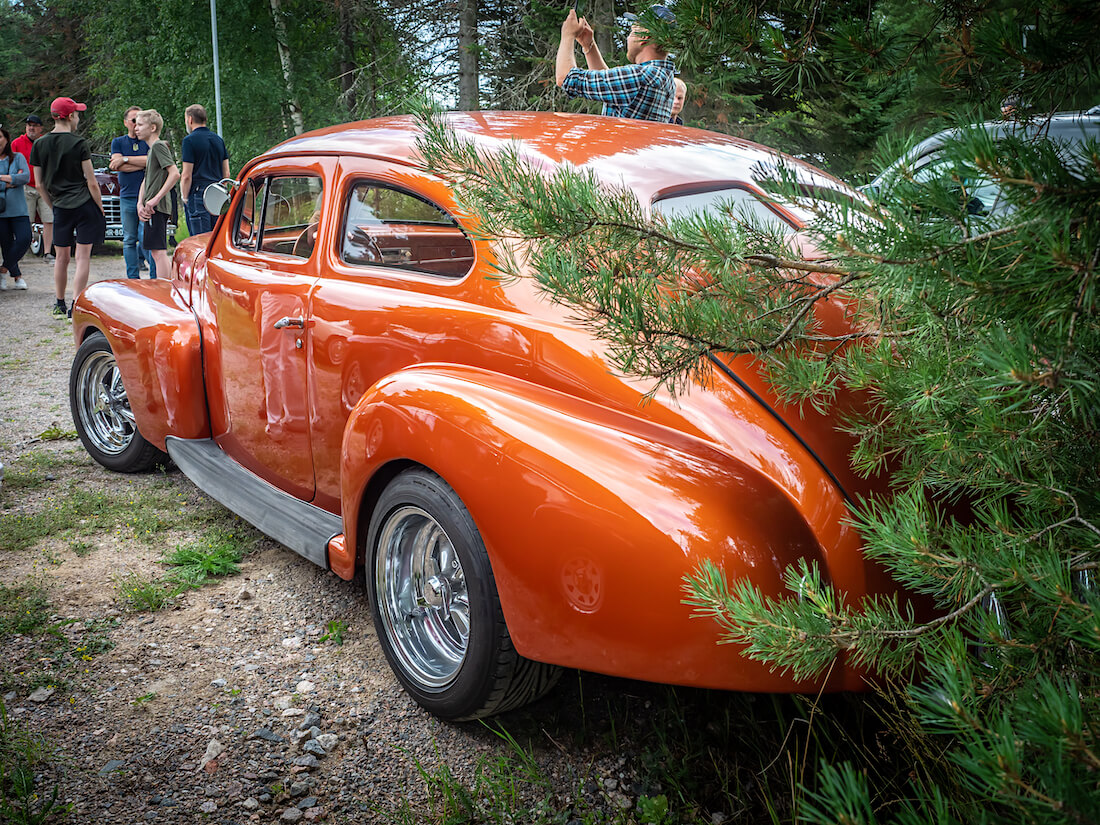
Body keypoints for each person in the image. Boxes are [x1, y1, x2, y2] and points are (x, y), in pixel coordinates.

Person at [29, 97, 105, 318]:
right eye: (78, 114)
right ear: (70, 116)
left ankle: (59, 303)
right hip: (84, 205)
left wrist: (54, 205)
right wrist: (99, 206)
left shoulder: (39, 144)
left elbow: (40, 184)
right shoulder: (78, 143)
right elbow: (92, 182)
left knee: (61, 257)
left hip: (61, 206)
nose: (79, 118)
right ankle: (76, 306)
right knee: (82, 257)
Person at [555, 4, 677, 122]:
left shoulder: (641, 76)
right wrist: (589, 46)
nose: (628, 38)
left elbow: (565, 78)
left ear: (644, 37)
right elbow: (610, 83)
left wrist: (568, 35)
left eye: (632, 31)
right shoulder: (664, 77)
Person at [109, 105, 157, 279]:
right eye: (134, 120)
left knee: (148, 238)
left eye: (140, 120)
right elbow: (115, 164)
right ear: (126, 123)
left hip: (147, 196)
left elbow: (152, 160)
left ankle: (154, 277)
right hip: (127, 196)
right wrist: (138, 163)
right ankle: (133, 278)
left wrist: (126, 160)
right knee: (129, 239)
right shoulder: (118, 142)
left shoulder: (148, 141)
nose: (137, 124)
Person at [134, 110, 180, 282]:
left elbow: (175, 174)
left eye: (140, 125)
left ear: (153, 127)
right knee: (155, 251)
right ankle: (166, 288)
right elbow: (147, 179)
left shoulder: (159, 146)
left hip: (156, 208)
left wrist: (155, 199)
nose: (136, 128)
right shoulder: (152, 149)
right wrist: (140, 203)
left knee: (159, 252)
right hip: (149, 207)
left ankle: (167, 290)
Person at [180, 104, 229, 236]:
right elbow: (227, 173)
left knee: (200, 239)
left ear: (190, 119)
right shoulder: (218, 140)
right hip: (218, 193)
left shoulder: (189, 141)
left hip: (198, 193)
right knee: (217, 236)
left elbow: (186, 175)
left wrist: (184, 197)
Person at [10, 115, 53, 263]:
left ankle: (47, 252)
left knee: (49, 220)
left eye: (35, 125)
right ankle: (22, 251)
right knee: (24, 220)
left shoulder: (46, 142)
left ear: (41, 128)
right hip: (25, 187)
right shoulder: (17, 143)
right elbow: (11, 164)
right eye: (29, 125)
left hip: (44, 186)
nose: (31, 128)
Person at [0, 127, 32, 291]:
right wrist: (11, 181)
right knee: (6, 244)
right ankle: (16, 277)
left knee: (24, 239)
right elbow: (17, 179)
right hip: (1, 212)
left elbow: (25, 177)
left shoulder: (17, 157)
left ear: (6, 138)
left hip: (19, 209)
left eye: (0, 137)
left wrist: (2, 178)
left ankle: (2, 270)